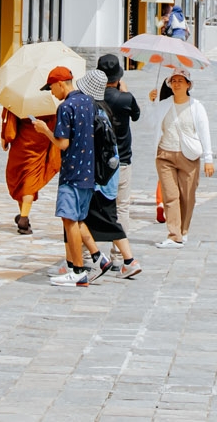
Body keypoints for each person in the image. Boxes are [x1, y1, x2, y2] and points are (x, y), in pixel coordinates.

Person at [39, 66, 102, 287]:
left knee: (69, 221)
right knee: (77, 219)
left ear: (60, 83)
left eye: (51, 88)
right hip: (88, 172)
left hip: (72, 172)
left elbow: (62, 144)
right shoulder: (88, 101)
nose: (51, 93)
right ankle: (94, 259)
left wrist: (45, 131)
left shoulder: (65, 107)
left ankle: (77, 270)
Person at [79, 68, 139, 280]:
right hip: (117, 167)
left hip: (97, 175)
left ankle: (91, 259)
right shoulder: (116, 104)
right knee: (118, 212)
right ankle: (121, 259)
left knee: (86, 216)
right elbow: (137, 115)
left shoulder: (93, 111)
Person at [153, 71, 214, 248]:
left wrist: (208, 158)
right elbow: (151, 122)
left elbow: (204, 132)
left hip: (189, 156)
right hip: (165, 154)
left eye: (181, 81)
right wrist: (151, 102)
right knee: (170, 196)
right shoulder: (163, 104)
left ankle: (183, 231)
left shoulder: (196, 107)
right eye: (174, 81)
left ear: (188, 85)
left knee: (187, 196)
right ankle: (174, 235)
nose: (177, 84)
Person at [0, 98, 59, 235]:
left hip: (21, 144)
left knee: (20, 180)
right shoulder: (51, 100)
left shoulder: (20, 96)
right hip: (40, 144)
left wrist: (4, 138)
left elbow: (10, 130)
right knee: (30, 181)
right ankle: (23, 216)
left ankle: (24, 216)